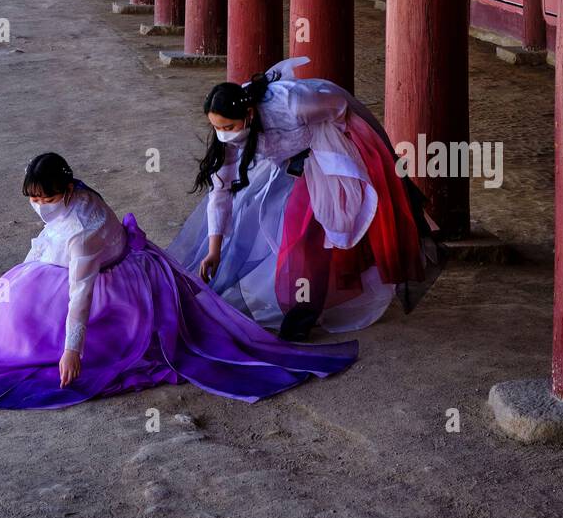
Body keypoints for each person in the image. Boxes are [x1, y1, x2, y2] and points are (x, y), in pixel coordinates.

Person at [0, 152, 356, 410]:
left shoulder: (82, 232)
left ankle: (0, 345)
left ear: (65, 190)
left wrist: (72, 351)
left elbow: (79, 295)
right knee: (8, 297)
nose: (38, 205)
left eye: (45, 197)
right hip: (75, 264)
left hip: (115, 288)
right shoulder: (70, 198)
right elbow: (44, 240)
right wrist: (24, 265)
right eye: (32, 197)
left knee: (22, 321)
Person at [168, 57, 435, 338]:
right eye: (217, 129)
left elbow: (340, 107)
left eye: (228, 128)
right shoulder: (232, 133)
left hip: (331, 153)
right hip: (297, 162)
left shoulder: (293, 104)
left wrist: (327, 155)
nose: (224, 136)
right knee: (288, 226)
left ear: (249, 113)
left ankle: (303, 315)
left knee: (313, 233)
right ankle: (305, 305)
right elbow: (220, 192)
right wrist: (214, 249)